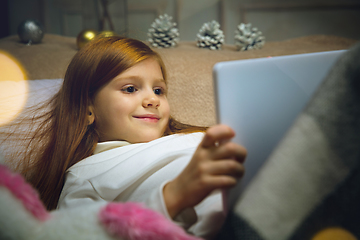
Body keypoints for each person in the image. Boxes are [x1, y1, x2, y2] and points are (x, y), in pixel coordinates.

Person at [5, 36, 246, 238]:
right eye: (130, 88)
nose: (152, 99)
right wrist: (173, 196)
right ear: (88, 108)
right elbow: (85, 233)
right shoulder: (87, 175)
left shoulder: (191, 138)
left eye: (159, 90)